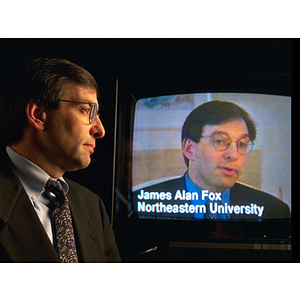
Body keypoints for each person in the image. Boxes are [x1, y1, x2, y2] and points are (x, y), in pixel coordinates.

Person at [0, 57, 121, 262]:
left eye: (97, 114)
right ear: (38, 114)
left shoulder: (92, 205)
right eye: (86, 111)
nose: (100, 130)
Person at [133, 100, 291, 220]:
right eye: (220, 141)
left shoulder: (274, 210)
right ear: (189, 149)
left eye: (242, 144)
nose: (233, 155)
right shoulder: (142, 203)